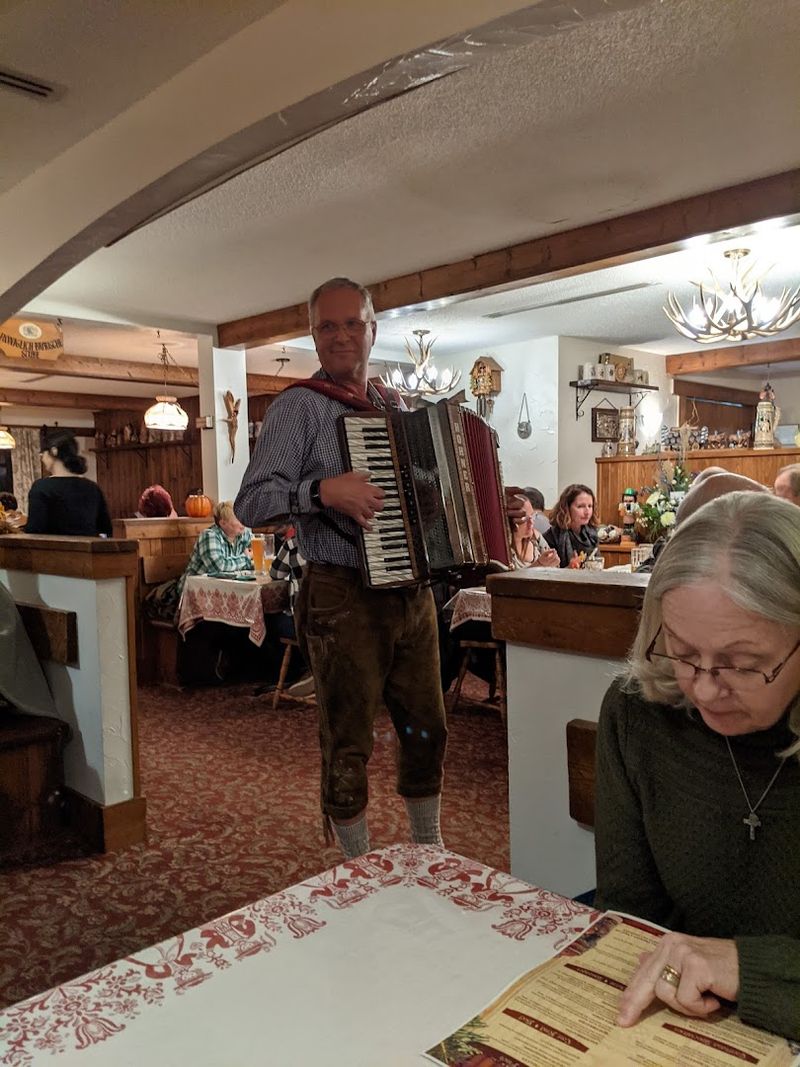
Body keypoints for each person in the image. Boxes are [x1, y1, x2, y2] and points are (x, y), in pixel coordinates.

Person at [235, 276, 447, 859]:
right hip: (341, 593)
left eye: (353, 322)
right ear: (314, 334)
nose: (341, 335)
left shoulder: (395, 405)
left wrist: (448, 507)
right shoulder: (298, 407)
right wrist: (322, 490)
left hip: (413, 592)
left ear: (373, 329)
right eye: (328, 325)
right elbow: (251, 503)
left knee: (427, 728)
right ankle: (356, 867)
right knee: (348, 739)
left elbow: (417, 494)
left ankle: (428, 850)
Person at [595, 491, 800, 1040]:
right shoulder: (639, 711)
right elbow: (630, 913)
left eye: (743, 664)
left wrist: (750, 968)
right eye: (683, 652)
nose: (705, 689)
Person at [26, 428, 112, 537]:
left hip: (54, 551)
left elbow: (35, 530)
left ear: (54, 451)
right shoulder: (92, 488)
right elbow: (105, 529)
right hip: (88, 551)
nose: (42, 458)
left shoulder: (41, 487)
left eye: (43, 453)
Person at [175, 501, 253, 601]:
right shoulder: (209, 535)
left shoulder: (244, 535)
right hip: (194, 593)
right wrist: (245, 558)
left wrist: (249, 561)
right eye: (238, 518)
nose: (243, 522)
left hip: (225, 590)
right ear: (223, 523)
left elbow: (257, 560)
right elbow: (218, 567)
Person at [544, 483, 598, 567]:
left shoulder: (591, 534)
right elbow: (547, 574)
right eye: (580, 506)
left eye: (590, 506)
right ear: (566, 508)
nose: (587, 512)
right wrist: (569, 568)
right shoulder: (552, 537)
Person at [509, 490, 559, 569]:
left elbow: (555, 569)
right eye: (525, 518)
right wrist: (539, 564)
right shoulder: (505, 550)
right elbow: (507, 579)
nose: (531, 522)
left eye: (532, 516)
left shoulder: (536, 538)